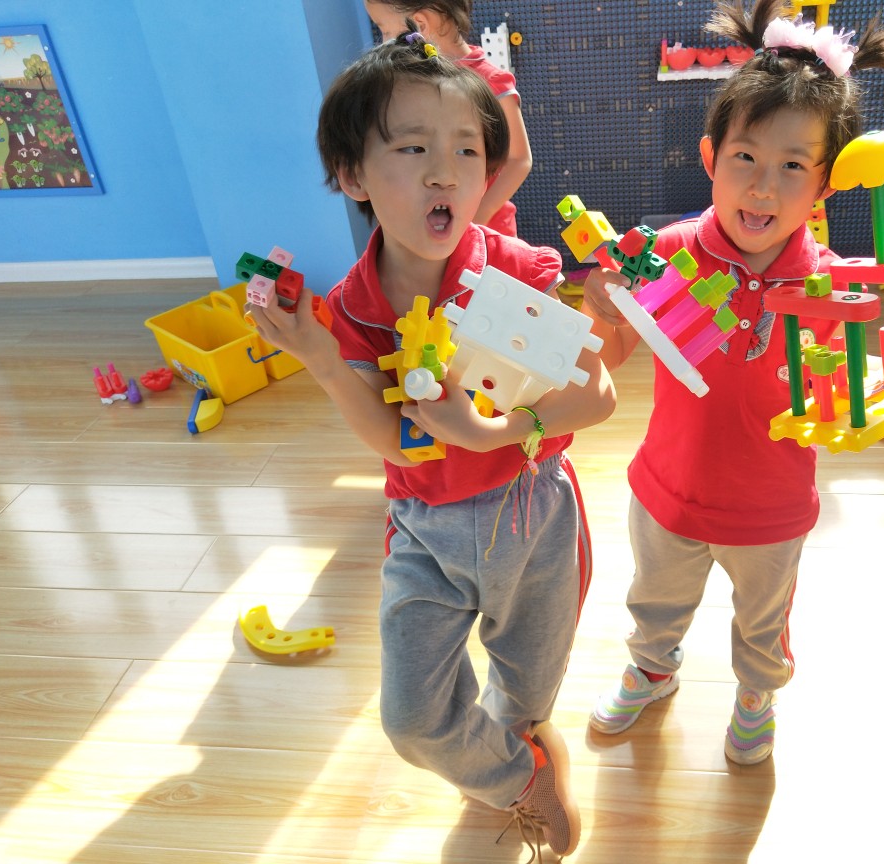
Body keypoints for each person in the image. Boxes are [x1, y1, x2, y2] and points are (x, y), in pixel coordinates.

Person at [248, 33, 616, 857]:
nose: (445, 171)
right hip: (425, 531)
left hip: (533, 515)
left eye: (467, 150)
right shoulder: (353, 306)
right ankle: (521, 776)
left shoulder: (518, 274)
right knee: (413, 719)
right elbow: (396, 444)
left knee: (525, 697)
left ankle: (522, 743)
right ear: (353, 176)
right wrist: (319, 357)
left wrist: (492, 429)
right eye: (413, 149)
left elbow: (597, 397)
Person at [580, 0, 884, 765]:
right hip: (668, 490)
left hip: (773, 505)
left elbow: (839, 385)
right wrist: (600, 308)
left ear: (824, 184)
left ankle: (757, 694)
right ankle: (652, 670)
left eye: (792, 166)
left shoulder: (828, 284)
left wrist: (856, 381)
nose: (763, 188)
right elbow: (612, 352)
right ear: (710, 157)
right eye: (746, 159)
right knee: (655, 601)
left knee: (763, 621)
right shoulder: (663, 254)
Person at [363, 1, 532, 237]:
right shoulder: (413, 82)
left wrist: (477, 217)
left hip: (485, 233)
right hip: (435, 226)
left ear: (420, 24)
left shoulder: (490, 81)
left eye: (385, 30)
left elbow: (519, 159)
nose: (383, 42)